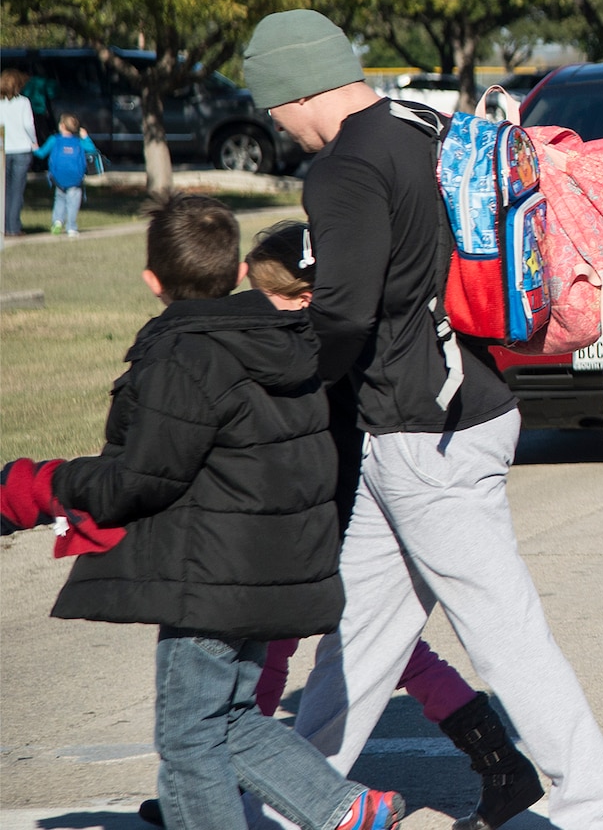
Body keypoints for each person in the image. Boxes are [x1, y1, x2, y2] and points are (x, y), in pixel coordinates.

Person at [240, 10, 603, 830]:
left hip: (426, 431)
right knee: (356, 639)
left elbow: (344, 315)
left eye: (271, 108)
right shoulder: (424, 125)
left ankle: (601, 811)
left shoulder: (344, 169)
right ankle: (285, 807)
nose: (276, 125)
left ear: (294, 90)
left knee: (505, 636)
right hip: (460, 406)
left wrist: (282, 381)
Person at [0, 193, 405, 829]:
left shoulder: (184, 354)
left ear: (152, 281)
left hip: (209, 577)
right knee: (231, 719)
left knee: (189, 738)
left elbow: (143, 476)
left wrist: (39, 485)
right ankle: (343, 807)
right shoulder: (286, 341)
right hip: (271, 564)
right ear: (240, 272)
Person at [133, 220, 544, 830]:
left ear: (300, 294)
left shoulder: (311, 353)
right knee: (385, 650)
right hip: (331, 517)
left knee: (287, 649)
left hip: (335, 522)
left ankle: (226, 783)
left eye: (269, 293)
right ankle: (498, 762)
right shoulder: (317, 342)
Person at [34, 112, 100, 236]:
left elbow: (41, 153)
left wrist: (34, 148)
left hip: (58, 177)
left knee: (59, 199)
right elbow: (92, 150)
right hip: (75, 178)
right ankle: (71, 227)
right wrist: (85, 137)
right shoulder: (79, 142)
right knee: (73, 202)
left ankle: (57, 221)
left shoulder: (54, 139)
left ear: (62, 126)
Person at [1, 68, 39, 238]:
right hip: (22, 149)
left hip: (4, 150)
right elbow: (28, 125)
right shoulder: (23, 102)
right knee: (17, 189)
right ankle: (13, 227)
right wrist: (34, 141)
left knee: (4, 190)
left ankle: (4, 225)